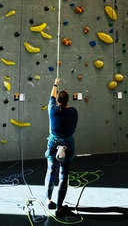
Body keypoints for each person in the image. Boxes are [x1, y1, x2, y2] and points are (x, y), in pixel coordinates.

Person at [44, 78, 78, 217]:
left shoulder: (52, 109)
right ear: (68, 100)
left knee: (51, 171)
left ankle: (48, 200)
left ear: (58, 100)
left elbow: (51, 96)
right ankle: (59, 208)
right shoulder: (73, 112)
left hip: (53, 143)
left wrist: (55, 83)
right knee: (63, 176)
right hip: (68, 144)